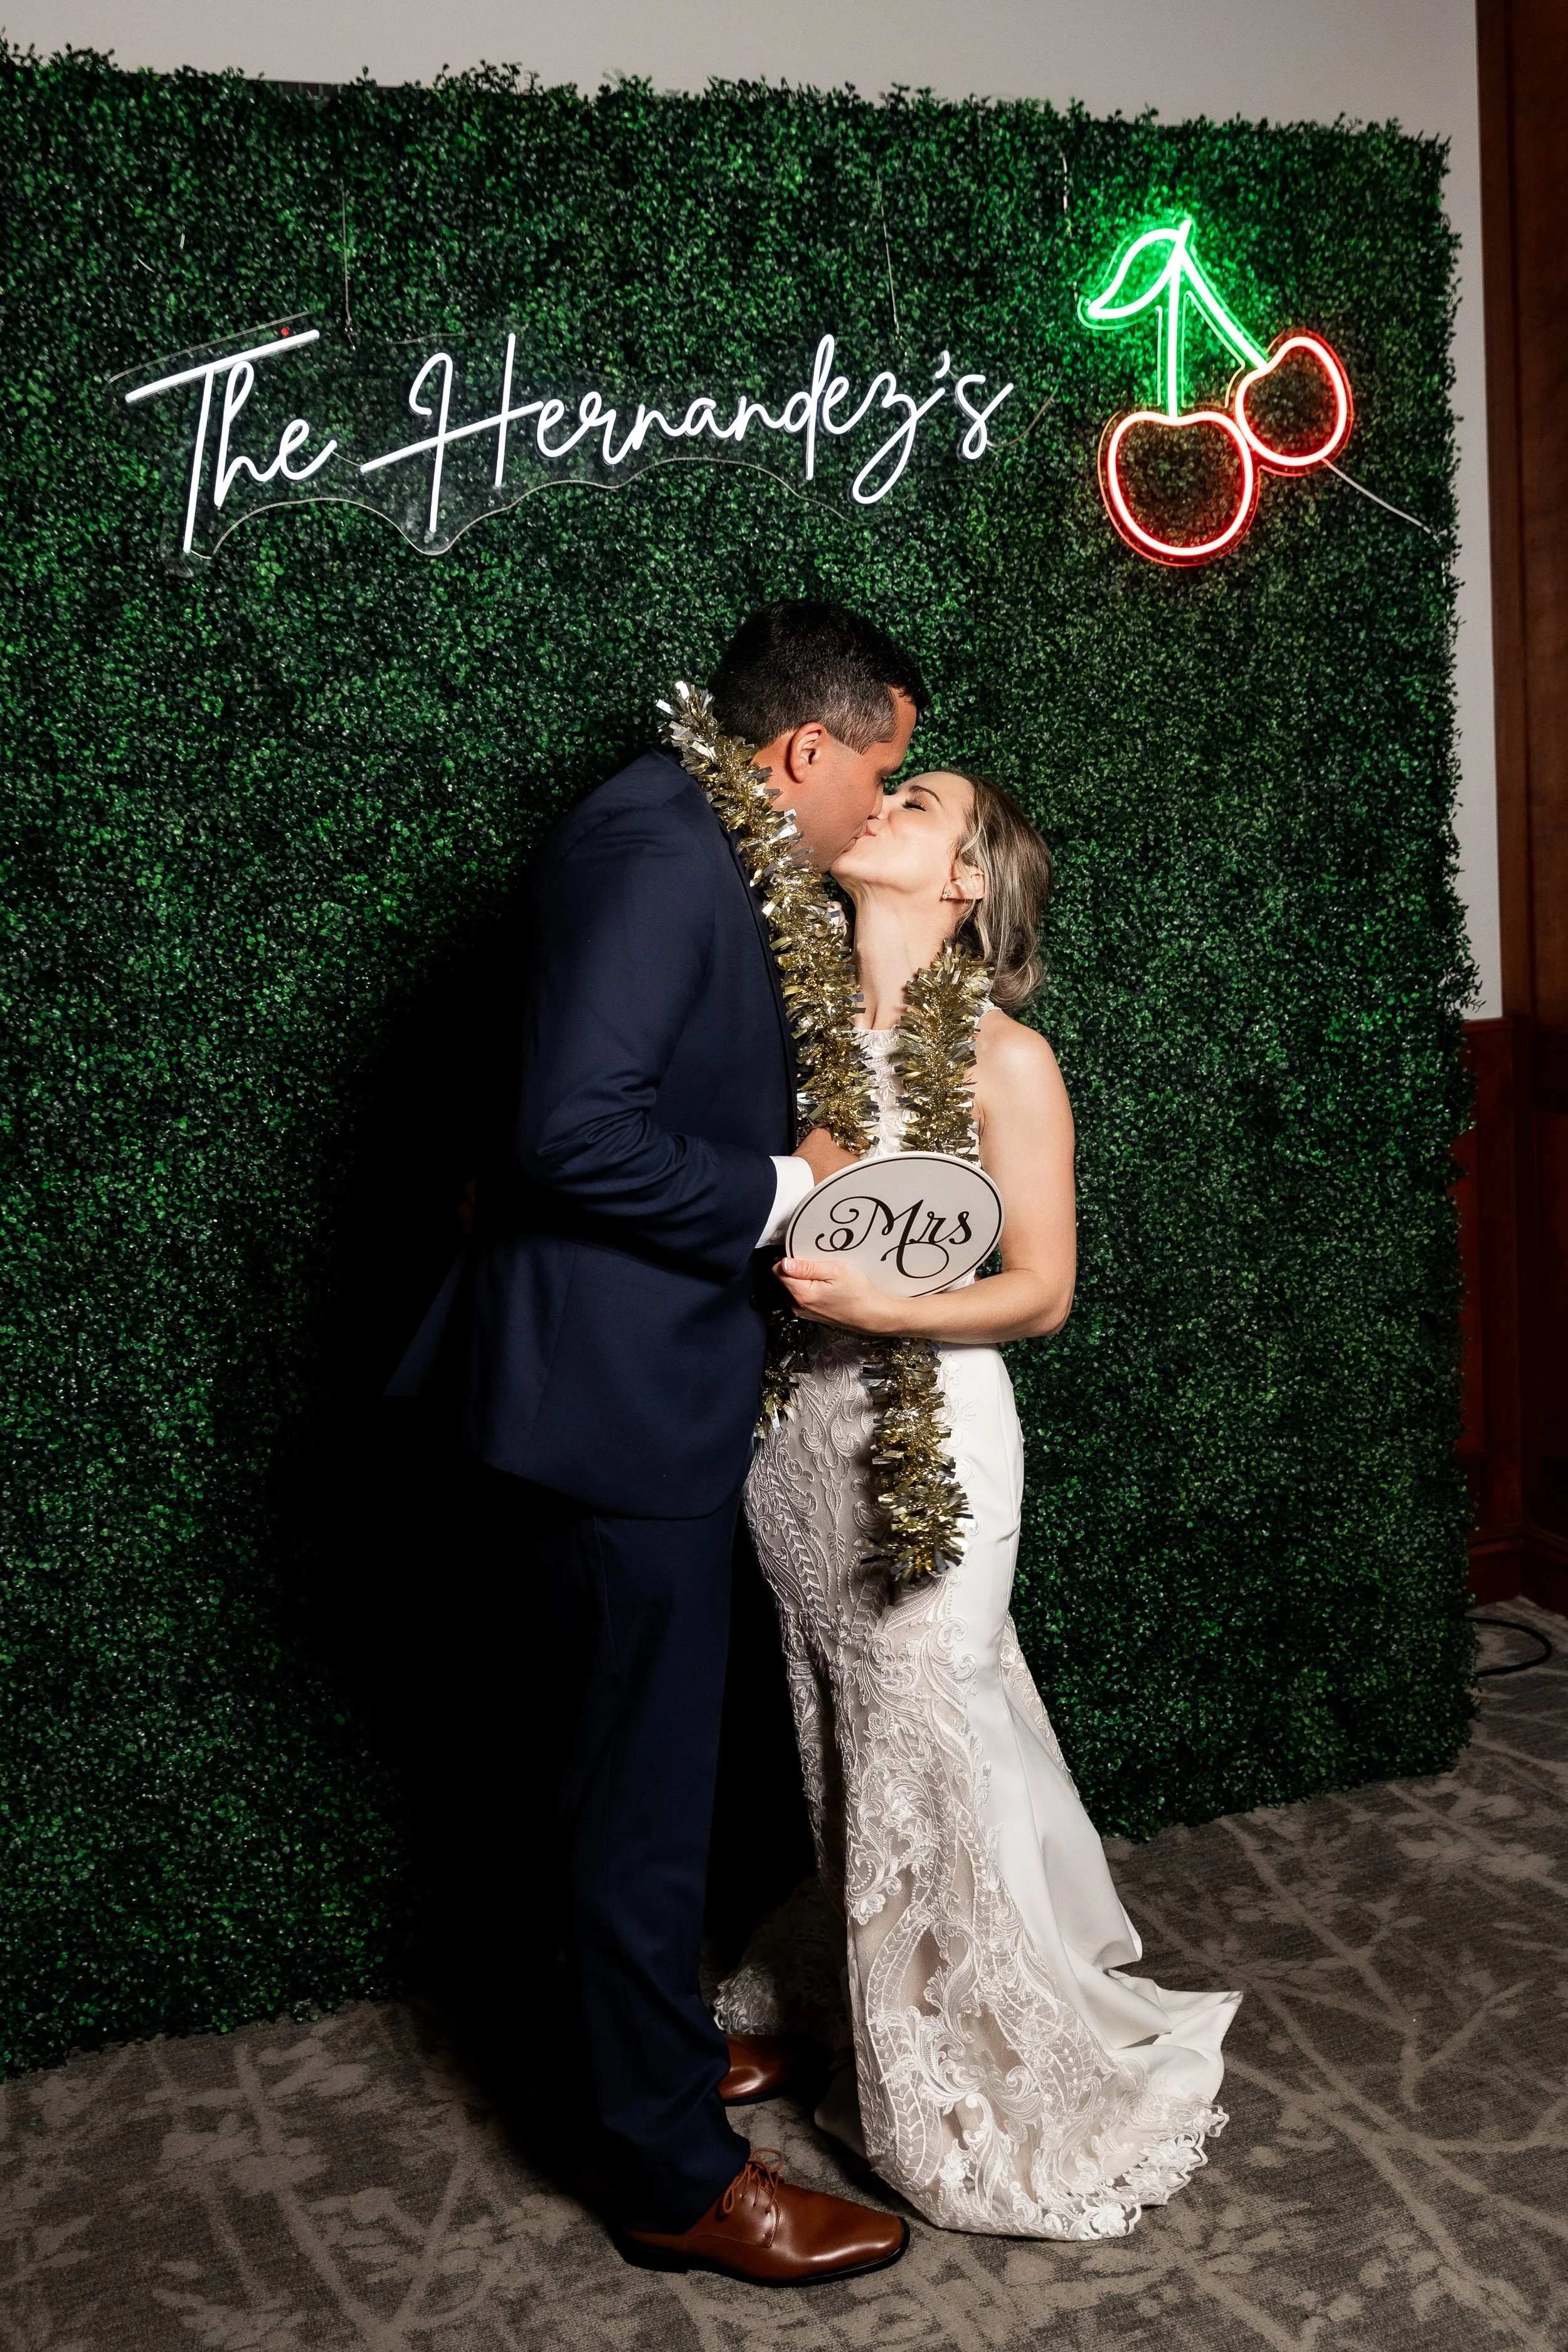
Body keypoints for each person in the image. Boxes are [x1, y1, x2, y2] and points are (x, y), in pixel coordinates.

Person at [389, 601, 924, 2283]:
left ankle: (657, 2064)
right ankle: (674, 2174)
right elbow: (570, 1128)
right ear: (803, 751)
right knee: (636, 1803)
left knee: (636, 1779)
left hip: (629, 1380)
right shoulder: (654, 841)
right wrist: (786, 1185)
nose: (872, 812)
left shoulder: (702, 831)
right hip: (605, 1406)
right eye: (879, 773)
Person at [716, 767, 1241, 2238]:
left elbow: (1045, 1290)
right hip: (792, 1440)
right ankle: (866, 2001)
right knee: (839, 1720)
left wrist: (890, 1310)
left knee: (923, 1726)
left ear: (965, 881)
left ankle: (962, 2087)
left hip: (931, 1442)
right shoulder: (783, 1044)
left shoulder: (1004, 1060)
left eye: (921, 800)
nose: (880, 803)